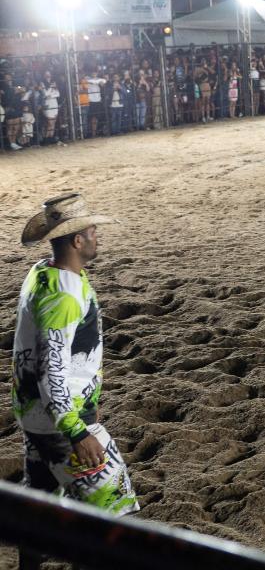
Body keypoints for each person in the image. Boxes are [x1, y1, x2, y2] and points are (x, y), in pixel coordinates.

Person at [13, 194, 139, 567]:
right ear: (77, 241)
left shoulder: (41, 273)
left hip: (36, 416)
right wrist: (77, 428)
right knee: (115, 515)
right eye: (92, 230)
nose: (97, 235)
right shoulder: (65, 294)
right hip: (61, 422)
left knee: (38, 508)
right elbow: (53, 365)